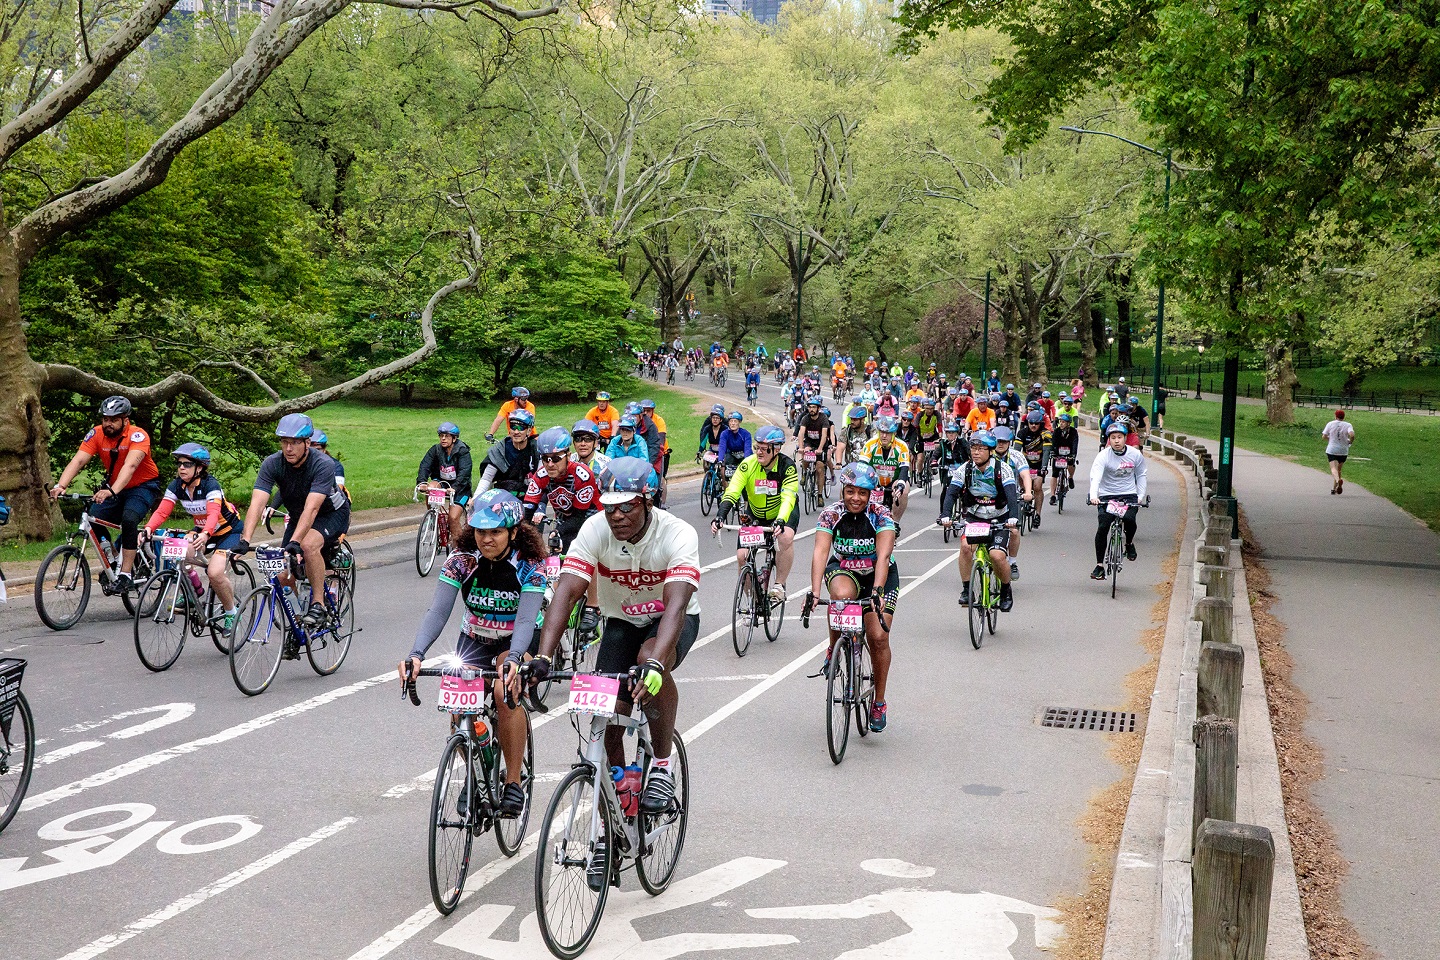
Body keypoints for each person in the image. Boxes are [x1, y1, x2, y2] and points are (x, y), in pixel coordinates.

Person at [531, 459, 700, 828]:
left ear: (648, 502)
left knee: (647, 662)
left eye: (628, 506)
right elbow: (568, 590)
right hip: (622, 621)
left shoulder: (678, 534)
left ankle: (660, 766)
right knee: (606, 710)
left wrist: (657, 662)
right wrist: (544, 654)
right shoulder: (594, 530)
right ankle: (621, 787)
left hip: (672, 621)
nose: (617, 516)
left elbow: (676, 604)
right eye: (610, 507)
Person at [398, 490, 542, 819]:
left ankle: (514, 781)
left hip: (516, 638)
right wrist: (416, 654)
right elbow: (438, 611)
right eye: (480, 531)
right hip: (475, 635)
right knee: (458, 702)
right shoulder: (462, 561)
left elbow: (524, 619)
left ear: (514, 532)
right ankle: (477, 771)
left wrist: (517, 659)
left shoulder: (530, 565)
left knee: (504, 691)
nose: (486, 539)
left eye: (495, 532)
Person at [238, 413, 351, 638]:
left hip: (331, 513)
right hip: (299, 516)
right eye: (284, 442)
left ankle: (318, 604)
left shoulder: (323, 464)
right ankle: (298, 624)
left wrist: (295, 542)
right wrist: (244, 540)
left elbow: (313, 509)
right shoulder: (273, 463)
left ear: (307, 443)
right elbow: (257, 502)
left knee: (308, 546)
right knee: (282, 574)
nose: (288, 448)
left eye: (295, 443)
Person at [807, 462, 899, 732]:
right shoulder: (830, 515)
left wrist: (878, 591)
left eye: (862, 492)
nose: (855, 498)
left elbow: (883, 556)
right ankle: (834, 647)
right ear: (842, 491)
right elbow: (821, 552)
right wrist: (814, 591)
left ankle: (879, 701)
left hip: (878, 576)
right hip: (845, 571)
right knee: (840, 596)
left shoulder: (881, 515)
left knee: (878, 637)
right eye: (850, 491)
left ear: (871, 494)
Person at [49, 396, 163, 592]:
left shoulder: (138, 435)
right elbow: (78, 461)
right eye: (105, 419)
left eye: (114, 419)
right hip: (115, 487)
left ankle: (126, 574)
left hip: (142, 486)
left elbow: (131, 465)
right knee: (93, 519)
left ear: (125, 420)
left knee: (129, 520)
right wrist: (61, 485)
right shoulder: (96, 433)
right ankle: (112, 558)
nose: (108, 423)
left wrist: (111, 491)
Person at [140, 443, 244, 631]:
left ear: (200, 467)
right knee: (181, 552)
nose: (181, 467)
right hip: (203, 530)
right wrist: (148, 529)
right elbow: (162, 512)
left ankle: (231, 613)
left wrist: (205, 534)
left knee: (214, 573)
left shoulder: (210, 485)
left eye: (187, 464)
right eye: (179, 463)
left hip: (229, 532)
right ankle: (194, 589)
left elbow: (213, 514)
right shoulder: (176, 486)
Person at [713, 425, 800, 602]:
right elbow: (733, 491)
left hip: (782, 512)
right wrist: (720, 515)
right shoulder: (748, 465)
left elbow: (788, 497)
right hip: (756, 513)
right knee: (742, 556)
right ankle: (752, 602)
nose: (759, 452)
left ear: (776, 449)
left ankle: (779, 585)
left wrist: (781, 520)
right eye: (756, 447)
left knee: (784, 538)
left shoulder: (788, 467)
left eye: (763, 449)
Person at [938, 430, 1018, 612]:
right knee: (966, 548)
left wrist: (1013, 517)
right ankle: (967, 589)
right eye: (973, 448)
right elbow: (951, 493)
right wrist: (945, 515)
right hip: (975, 517)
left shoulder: (1002, 469)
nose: (976, 452)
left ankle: (1006, 590)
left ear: (990, 451)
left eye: (981, 449)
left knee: (997, 556)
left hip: (999, 518)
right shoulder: (965, 469)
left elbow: (1011, 495)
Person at [1088, 423, 1148, 580]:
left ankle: (1128, 544)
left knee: (1129, 519)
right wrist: (1094, 496)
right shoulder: (1103, 456)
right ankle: (1099, 565)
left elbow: (1141, 474)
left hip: (1128, 494)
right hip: (1107, 495)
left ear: (1125, 438)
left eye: (1119, 437)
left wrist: (1140, 496)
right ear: (1109, 440)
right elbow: (1096, 477)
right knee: (1103, 526)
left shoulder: (1135, 455)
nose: (1116, 441)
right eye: (1113, 438)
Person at [990, 426, 1033, 580]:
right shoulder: (986, 455)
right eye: (997, 441)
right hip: (988, 499)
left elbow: (1025, 475)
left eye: (1004, 442)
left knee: (1014, 530)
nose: (1000, 444)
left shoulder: (1016, 456)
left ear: (1010, 443)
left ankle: (1013, 562)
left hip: (1011, 499)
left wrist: (1028, 492)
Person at [416, 422, 473, 533]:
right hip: (442, 482)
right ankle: (433, 515)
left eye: (446, 436)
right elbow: (425, 465)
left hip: (460, 488)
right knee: (431, 486)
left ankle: (460, 547)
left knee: (453, 518)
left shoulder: (462, 451)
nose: (443, 439)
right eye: (441, 436)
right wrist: (422, 482)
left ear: (454, 438)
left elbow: (465, 472)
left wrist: (455, 487)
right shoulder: (436, 449)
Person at [476, 409, 539, 496]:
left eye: (521, 428)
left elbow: (543, 479)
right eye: (513, 427)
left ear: (529, 430)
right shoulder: (500, 449)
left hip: (531, 497)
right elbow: (486, 479)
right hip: (504, 497)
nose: (516, 432)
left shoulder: (536, 449)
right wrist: (476, 499)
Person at [859, 416, 910, 520]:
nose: (884, 436)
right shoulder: (870, 444)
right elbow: (862, 465)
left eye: (888, 433)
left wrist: (900, 485)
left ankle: (895, 521)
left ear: (894, 434)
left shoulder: (902, 446)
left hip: (895, 479)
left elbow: (904, 468)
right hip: (875, 480)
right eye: (882, 432)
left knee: (903, 491)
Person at [1014, 411, 1052, 528]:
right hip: (1025, 463)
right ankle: (1024, 493)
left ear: (1040, 424)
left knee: (1037, 487)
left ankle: (1038, 514)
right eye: (1031, 423)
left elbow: (1046, 452)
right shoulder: (1022, 433)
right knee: (1023, 483)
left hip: (1039, 464)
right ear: (1028, 423)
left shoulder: (1045, 433)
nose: (1033, 426)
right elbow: (1016, 451)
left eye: (1036, 423)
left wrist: (1044, 467)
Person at [794, 397, 833, 495]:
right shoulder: (805, 418)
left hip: (821, 444)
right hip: (809, 442)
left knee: (820, 468)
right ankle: (804, 473)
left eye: (814, 407)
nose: (811, 409)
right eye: (810, 407)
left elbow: (824, 435)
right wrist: (801, 447)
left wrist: (820, 449)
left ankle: (819, 495)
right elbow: (801, 432)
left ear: (818, 409)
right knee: (806, 455)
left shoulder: (823, 418)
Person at [638, 399, 669, 507]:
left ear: (653, 411)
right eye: (644, 411)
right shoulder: (638, 422)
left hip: (660, 452)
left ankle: (662, 503)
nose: (646, 413)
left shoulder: (658, 421)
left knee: (660, 480)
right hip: (644, 453)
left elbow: (660, 439)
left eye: (648, 411)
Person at [1049, 413, 1080, 503]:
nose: (1061, 424)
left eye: (1063, 422)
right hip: (1058, 453)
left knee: (1071, 464)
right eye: (1060, 422)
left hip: (1069, 452)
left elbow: (1075, 443)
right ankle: (1052, 495)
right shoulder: (1057, 431)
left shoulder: (1073, 432)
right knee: (1054, 473)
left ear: (1068, 423)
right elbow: (1053, 442)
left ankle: (1070, 477)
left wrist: (1073, 454)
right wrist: (1052, 452)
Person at [1322, 409, 1355, 494]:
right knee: (1338, 470)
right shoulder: (1348, 425)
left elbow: (1324, 436)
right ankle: (1334, 489)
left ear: (1335, 416)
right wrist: (1350, 441)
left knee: (1333, 468)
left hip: (1332, 450)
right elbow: (1352, 435)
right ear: (1343, 417)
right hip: (1343, 450)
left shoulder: (1330, 424)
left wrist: (1330, 438)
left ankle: (1338, 480)